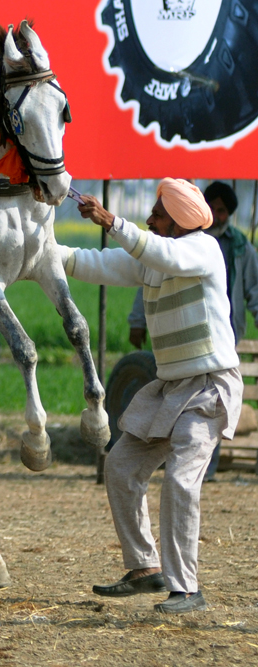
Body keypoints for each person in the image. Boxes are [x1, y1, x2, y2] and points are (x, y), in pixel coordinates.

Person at [66, 179, 242, 614]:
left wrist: (112, 220)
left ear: (181, 222)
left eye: (158, 215)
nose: (149, 220)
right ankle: (144, 568)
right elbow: (96, 262)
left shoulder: (201, 249)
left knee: (181, 479)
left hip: (207, 388)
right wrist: (39, 252)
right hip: (170, 389)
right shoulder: (153, 259)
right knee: (122, 465)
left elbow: (160, 252)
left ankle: (187, 590)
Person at [127, 181, 258, 480]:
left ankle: (205, 469)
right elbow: (150, 277)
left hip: (222, 339)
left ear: (229, 214)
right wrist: (137, 320)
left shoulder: (238, 247)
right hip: (183, 346)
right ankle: (198, 469)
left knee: (209, 412)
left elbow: (255, 291)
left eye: (222, 211)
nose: (218, 215)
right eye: (214, 208)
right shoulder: (171, 247)